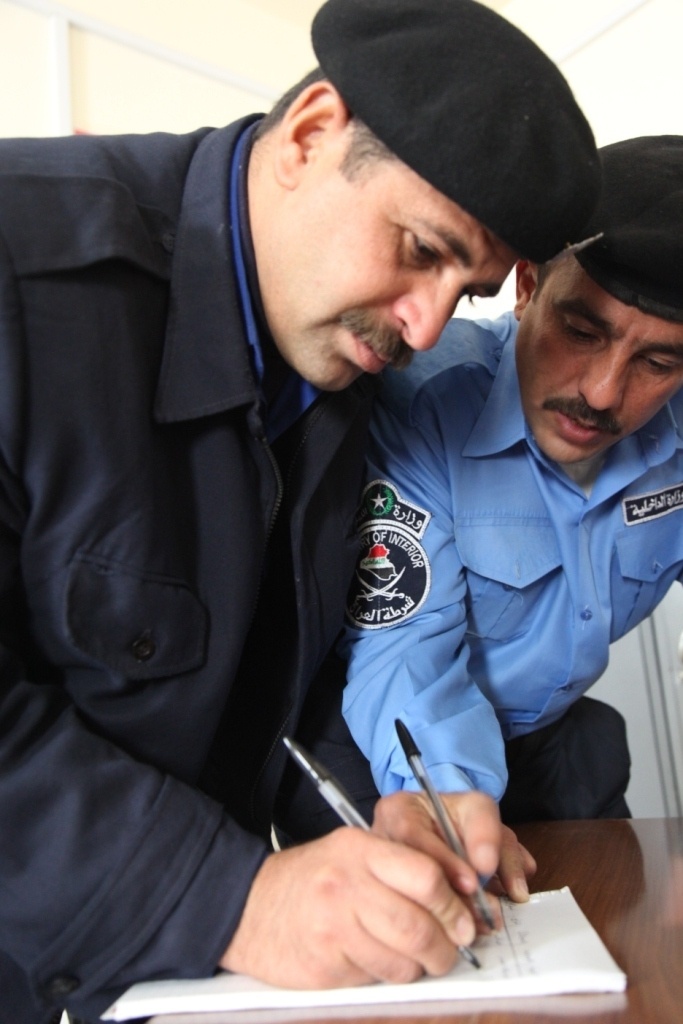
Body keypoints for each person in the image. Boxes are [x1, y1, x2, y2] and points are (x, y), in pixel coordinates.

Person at [0, 1, 600, 1021]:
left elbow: (282, 667)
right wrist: (232, 899)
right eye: (419, 247)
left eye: (467, 292)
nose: (423, 326)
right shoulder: (20, 265)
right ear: (313, 131)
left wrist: (385, 805)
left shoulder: (342, 354)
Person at [341, 134, 683, 826]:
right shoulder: (424, 406)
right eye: (581, 332)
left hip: (553, 738)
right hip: (402, 751)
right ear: (526, 287)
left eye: (657, 362)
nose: (602, 393)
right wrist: (448, 805)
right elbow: (403, 644)